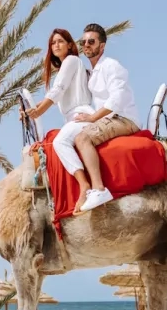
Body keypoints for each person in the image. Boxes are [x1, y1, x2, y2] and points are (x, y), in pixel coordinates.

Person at [26, 28, 104, 211]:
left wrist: (39, 111)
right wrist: (32, 110)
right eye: (53, 43)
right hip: (73, 119)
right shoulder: (68, 67)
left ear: (70, 45)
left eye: (60, 41)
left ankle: (84, 186)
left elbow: (58, 90)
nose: (56, 45)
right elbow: (55, 94)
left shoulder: (71, 60)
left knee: (59, 142)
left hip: (80, 115)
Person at [72, 22, 141, 212]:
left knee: (82, 139)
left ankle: (99, 189)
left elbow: (117, 99)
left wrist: (92, 118)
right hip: (109, 118)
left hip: (123, 118)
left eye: (91, 42)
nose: (86, 45)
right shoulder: (92, 72)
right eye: (83, 42)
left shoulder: (112, 66)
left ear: (102, 46)